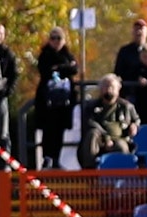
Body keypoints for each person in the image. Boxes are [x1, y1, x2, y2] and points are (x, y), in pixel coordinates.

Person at [34, 28, 78, 169]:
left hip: (64, 101)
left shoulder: (67, 54)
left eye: (59, 38)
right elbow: (45, 70)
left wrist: (58, 67)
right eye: (53, 38)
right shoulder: (45, 55)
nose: (56, 41)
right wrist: (63, 67)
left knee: (60, 131)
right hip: (48, 101)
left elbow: (74, 69)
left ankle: (56, 158)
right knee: (48, 131)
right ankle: (47, 158)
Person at [79, 74, 139, 169]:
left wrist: (134, 125)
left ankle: (125, 175)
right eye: (105, 86)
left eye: (111, 87)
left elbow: (136, 120)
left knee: (121, 147)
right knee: (92, 134)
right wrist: (106, 138)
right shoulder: (91, 106)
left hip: (120, 139)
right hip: (100, 140)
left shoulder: (127, 106)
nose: (109, 90)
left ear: (118, 89)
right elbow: (90, 122)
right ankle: (89, 170)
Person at [112, 19, 147, 90]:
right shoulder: (125, 51)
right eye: (136, 29)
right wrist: (136, 78)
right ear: (132, 32)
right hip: (130, 92)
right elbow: (118, 73)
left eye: (141, 29)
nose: (138, 32)